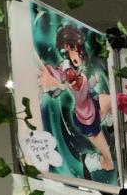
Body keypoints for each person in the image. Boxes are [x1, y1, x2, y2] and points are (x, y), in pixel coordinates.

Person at [39, 24, 114, 173]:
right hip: (87, 117)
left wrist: (93, 82)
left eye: (77, 49)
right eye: (71, 49)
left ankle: (109, 119)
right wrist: (52, 81)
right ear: (65, 50)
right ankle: (90, 163)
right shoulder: (66, 71)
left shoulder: (76, 67)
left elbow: (85, 86)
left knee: (113, 101)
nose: (77, 54)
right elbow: (58, 78)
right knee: (109, 162)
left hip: (93, 102)